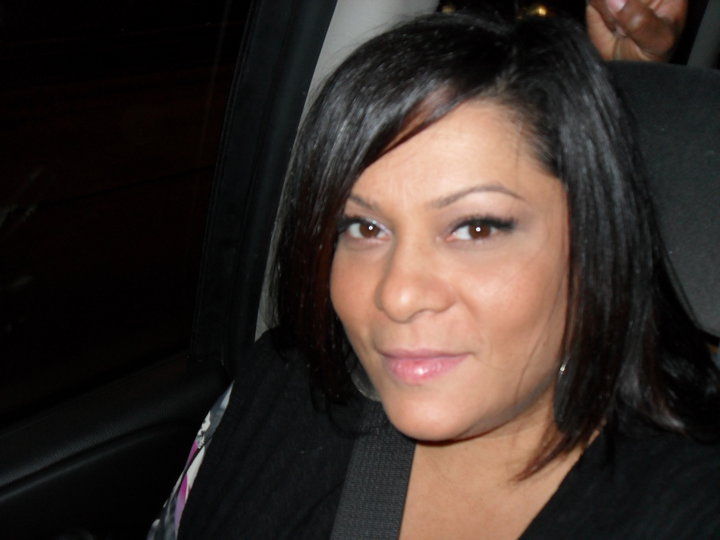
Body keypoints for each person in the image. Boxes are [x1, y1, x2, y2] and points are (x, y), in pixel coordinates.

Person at [149, 8, 720, 539]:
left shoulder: (687, 505)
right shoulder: (280, 388)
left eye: (475, 228)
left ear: (595, 244)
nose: (397, 296)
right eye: (364, 228)